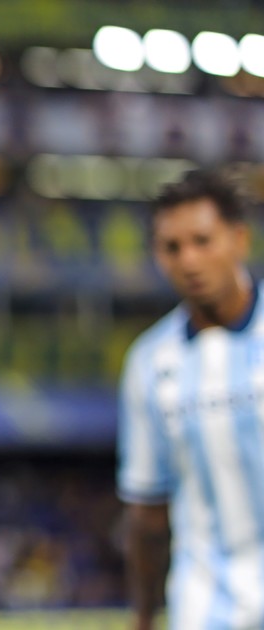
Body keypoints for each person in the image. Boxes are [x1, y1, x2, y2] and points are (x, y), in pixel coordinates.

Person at [119, 169, 264, 630]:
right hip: (206, 611)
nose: (190, 260)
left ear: (239, 240)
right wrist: (144, 617)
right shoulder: (150, 362)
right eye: (173, 247)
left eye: (203, 241)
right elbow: (148, 512)